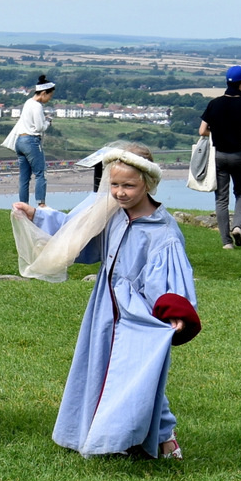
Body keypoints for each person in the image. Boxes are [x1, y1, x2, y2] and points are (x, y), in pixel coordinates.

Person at [13, 143, 200, 459]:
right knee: (104, 370)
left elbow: (170, 279)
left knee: (140, 374)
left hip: (140, 315)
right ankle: (116, 438)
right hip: (105, 308)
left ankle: (164, 437)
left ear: (147, 183)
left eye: (129, 185)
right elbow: (78, 234)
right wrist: (38, 217)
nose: (121, 192)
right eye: (115, 185)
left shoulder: (163, 232)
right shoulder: (112, 213)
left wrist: (173, 312)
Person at [199, 64, 241, 249]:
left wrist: (218, 132)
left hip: (219, 156)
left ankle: (226, 242)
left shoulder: (214, 104)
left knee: (221, 199)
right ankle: (237, 226)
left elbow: (202, 130)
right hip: (238, 156)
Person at [2, 74, 56, 206]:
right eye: (49, 95)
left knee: (24, 177)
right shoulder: (37, 106)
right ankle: (41, 204)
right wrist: (48, 121)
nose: (49, 99)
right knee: (40, 173)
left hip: (20, 141)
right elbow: (39, 128)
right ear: (43, 93)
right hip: (31, 141)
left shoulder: (28, 103)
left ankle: (23, 205)